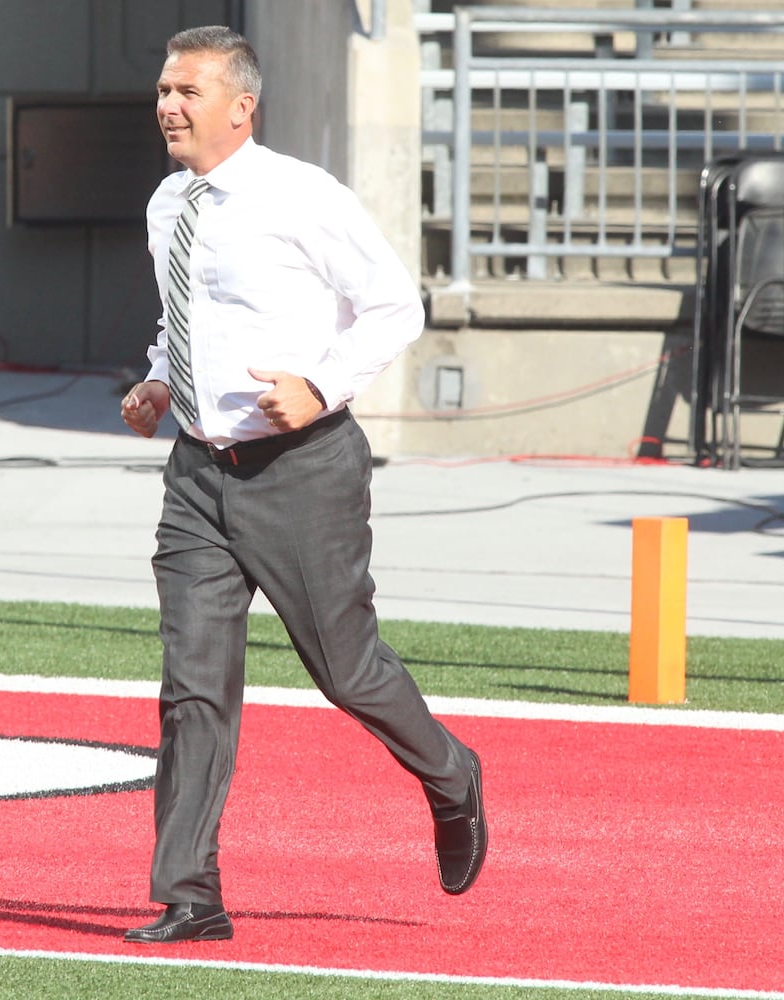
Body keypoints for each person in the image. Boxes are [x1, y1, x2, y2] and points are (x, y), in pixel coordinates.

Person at [120, 25, 486, 945]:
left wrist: (320, 385)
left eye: (187, 92)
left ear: (240, 106)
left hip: (303, 470)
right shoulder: (170, 203)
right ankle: (190, 894)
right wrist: (161, 378)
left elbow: (394, 304)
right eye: (164, 90)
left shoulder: (299, 194)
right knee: (191, 686)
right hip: (199, 473)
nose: (169, 106)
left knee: (346, 669)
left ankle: (451, 775)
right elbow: (186, 319)